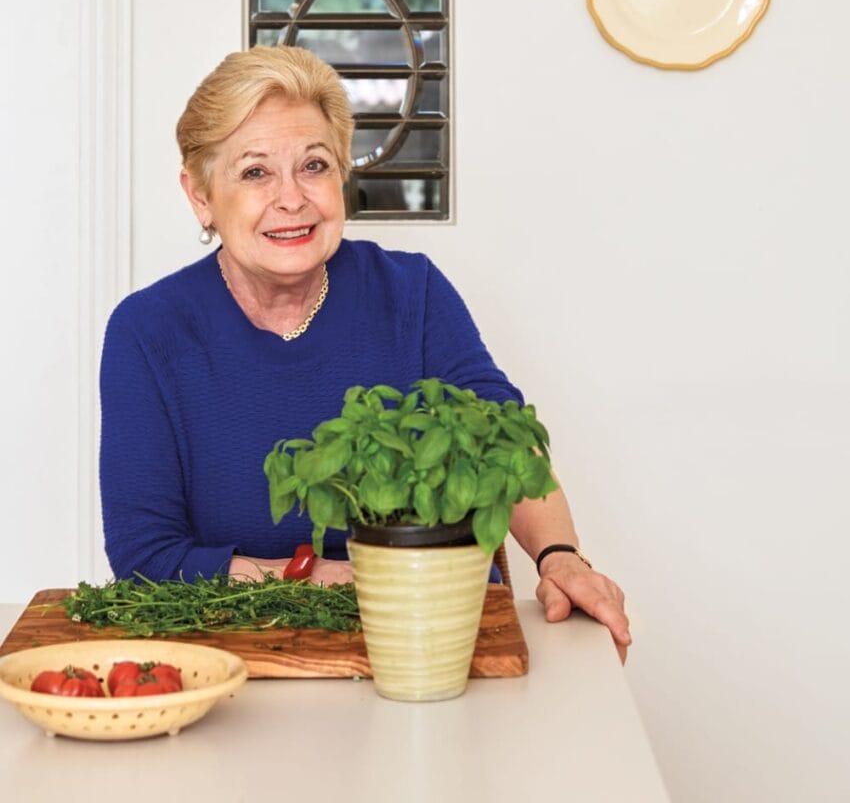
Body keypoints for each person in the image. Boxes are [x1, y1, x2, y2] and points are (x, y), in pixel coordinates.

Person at [99, 47, 631, 661]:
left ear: (342, 175)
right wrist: (320, 581)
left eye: (314, 165)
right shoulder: (149, 330)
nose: (292, 198)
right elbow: (147, 558)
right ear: (200, 197)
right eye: (254, 173)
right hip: (241, 662)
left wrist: (560, 556)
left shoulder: (412, 293)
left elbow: (503, 442)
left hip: (434, 640)